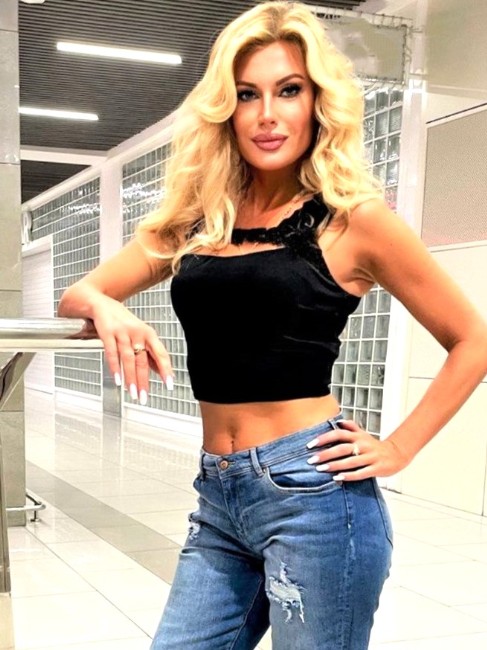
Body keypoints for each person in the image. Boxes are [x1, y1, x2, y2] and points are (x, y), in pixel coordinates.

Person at [58, 2, 487, 648]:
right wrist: (107, 304)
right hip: (219, 494)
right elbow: (79, 294)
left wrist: (398, 449)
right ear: (224, 110)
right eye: (246, 94)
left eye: (288, 90)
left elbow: (472, 340)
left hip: (315, 495)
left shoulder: (354, 220)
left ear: (317, 102)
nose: (266, 114)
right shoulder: (200, 220)